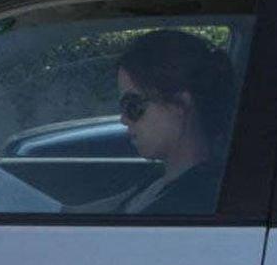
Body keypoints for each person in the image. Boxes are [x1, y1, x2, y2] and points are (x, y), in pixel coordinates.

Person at [64, 29, 236, 215]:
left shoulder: (189, 205)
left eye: (133, 105)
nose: (123, 119)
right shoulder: (165, 179)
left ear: (179, 104)